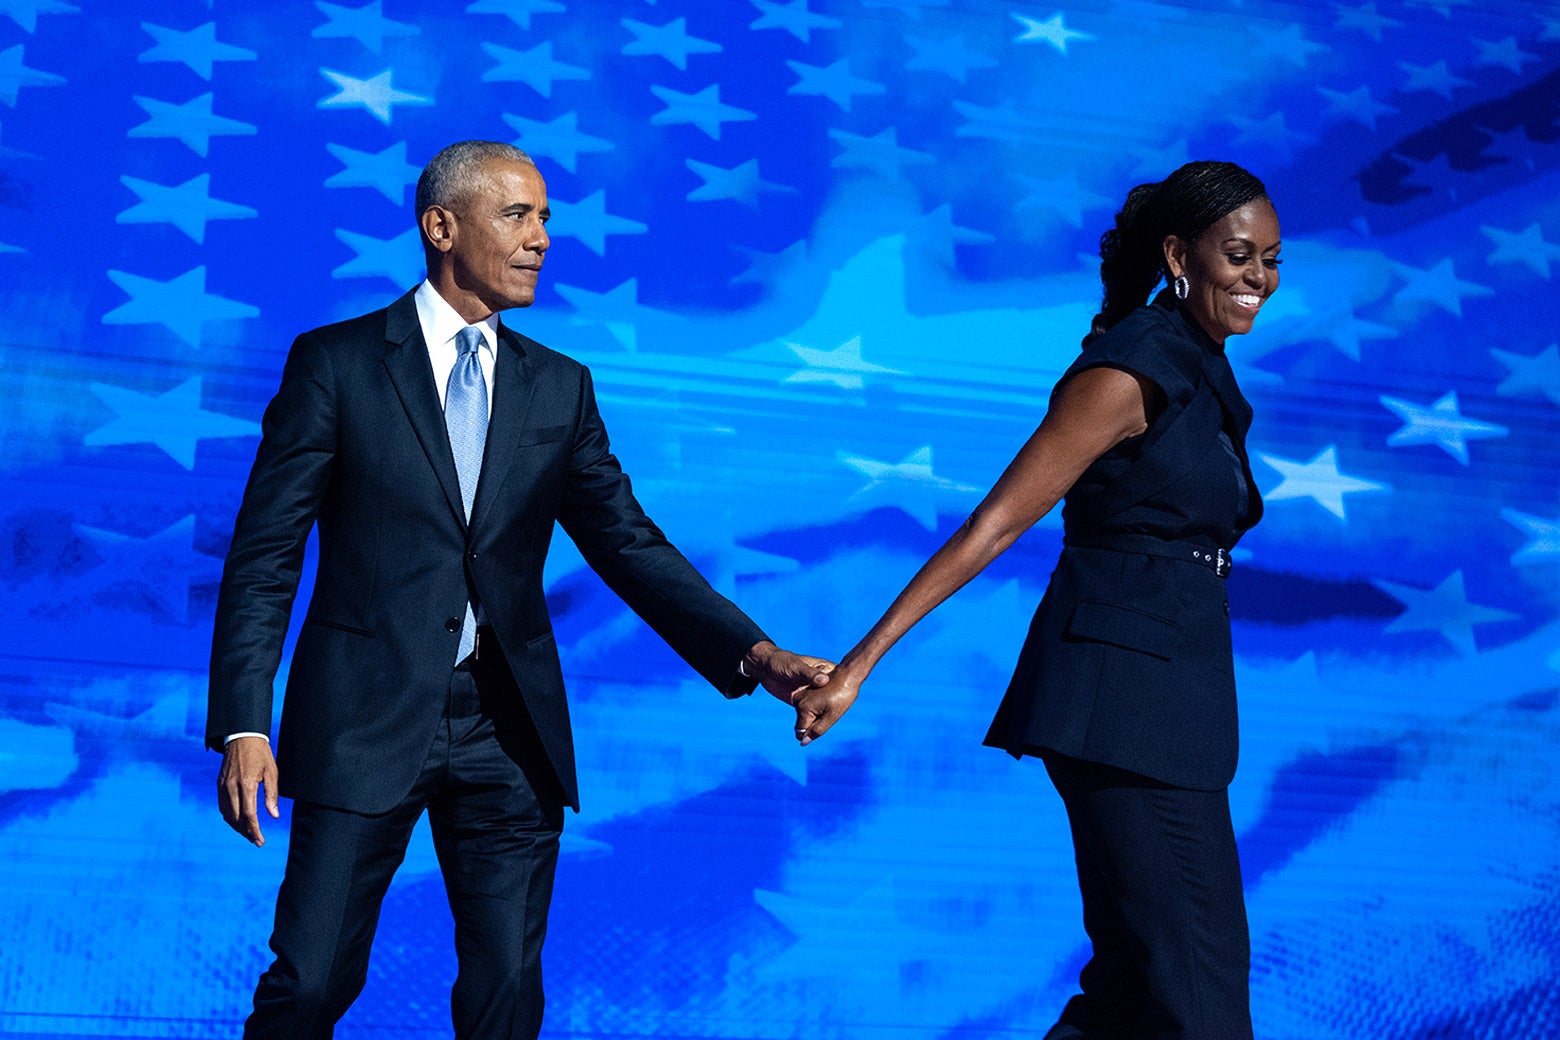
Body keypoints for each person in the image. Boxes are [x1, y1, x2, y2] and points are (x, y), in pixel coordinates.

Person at [208, 139, 833, 1039]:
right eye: (518, 215)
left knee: (506, 997)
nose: (541, 238)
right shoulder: (336, 364)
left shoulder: (559, 388)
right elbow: (266, 553)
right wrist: (245, 721)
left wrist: (756, 652)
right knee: (309, 986)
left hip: (508, 730)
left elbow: (629, 544)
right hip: (362, 720)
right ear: (441, 227)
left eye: (545, 218)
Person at [792, 161, 1276, 1039]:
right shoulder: (1129, 369)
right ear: (1179, 255)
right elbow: (997, 524)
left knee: (1136, 990)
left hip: (1169, 706)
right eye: (1240, 256)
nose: (1258, 279)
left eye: (1272, 261)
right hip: (1124, 709)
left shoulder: (1202, 368)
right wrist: (861, 663)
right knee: (1198, 995)